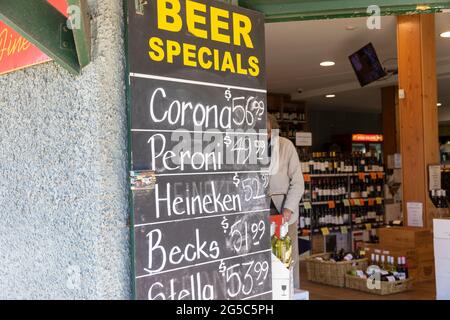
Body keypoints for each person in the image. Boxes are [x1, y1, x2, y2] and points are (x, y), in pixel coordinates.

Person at [267, 113, 305, 289]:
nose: (264, 135)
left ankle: (291, 291)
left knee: (286, 258)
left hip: (283, 211)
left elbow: (298, 182)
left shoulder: (285, 146)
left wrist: (288, 209)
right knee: (264, 258)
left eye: (267, 131)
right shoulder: (248, 147)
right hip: (259, 211)